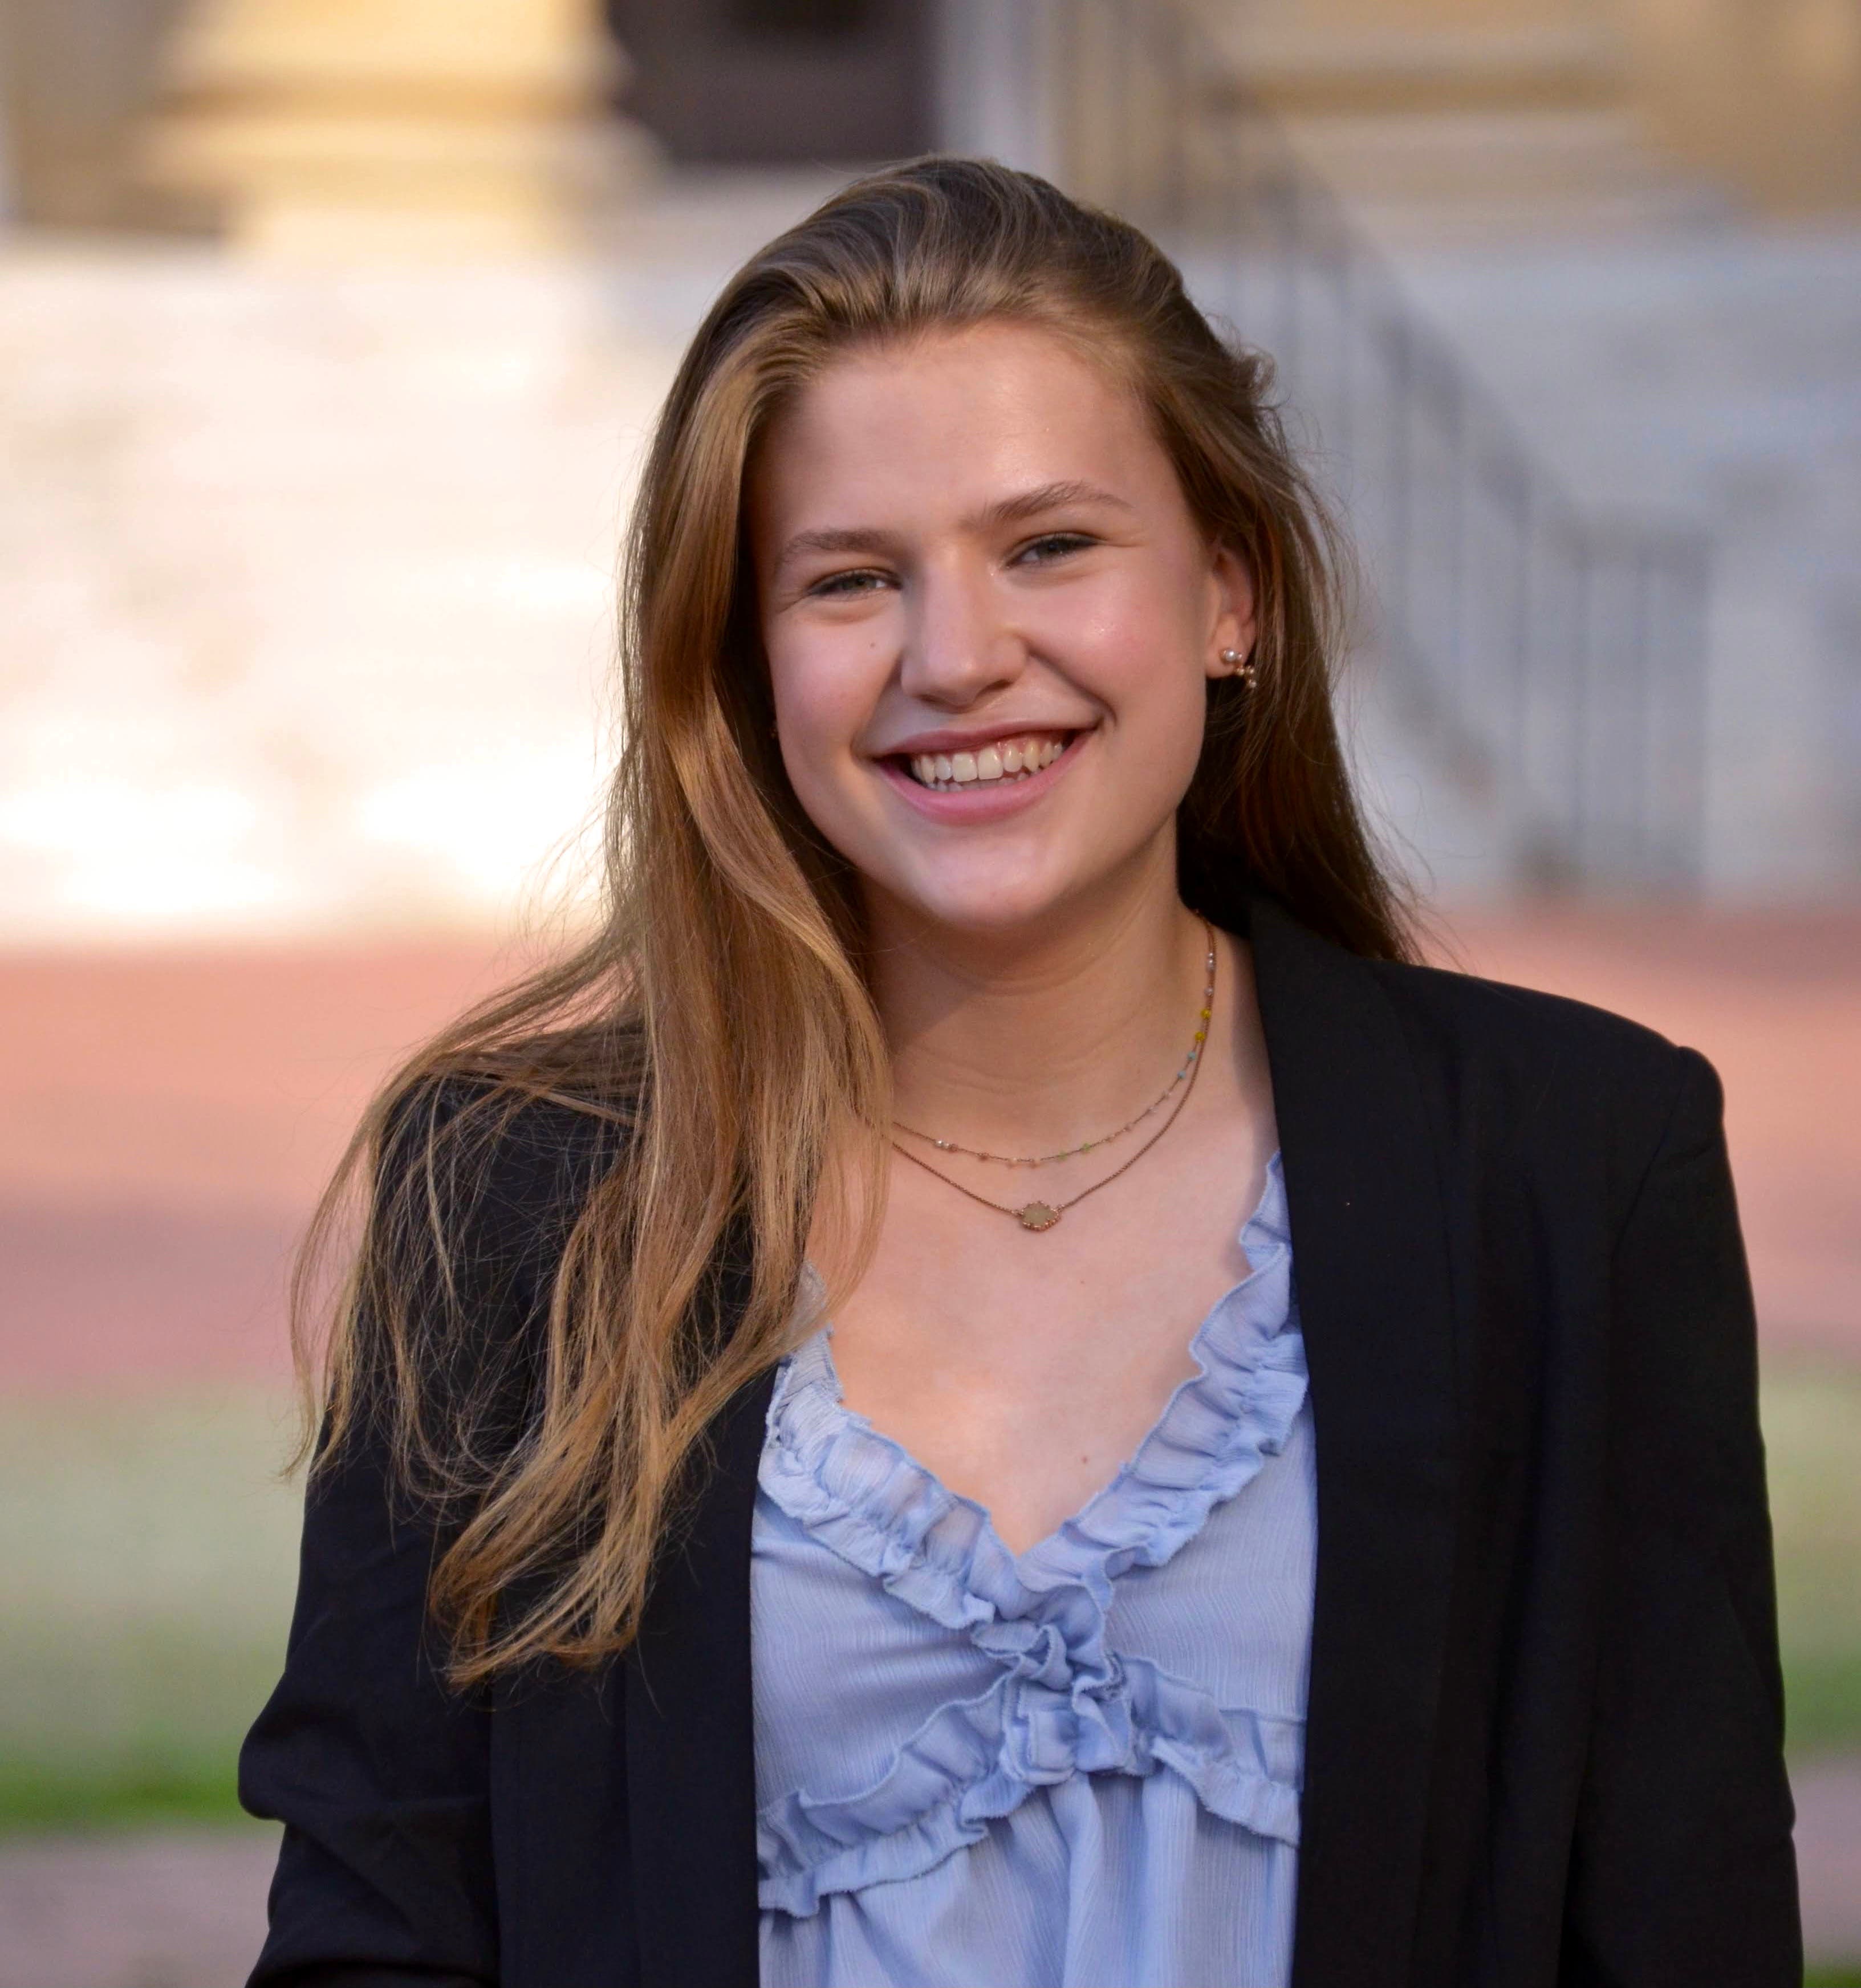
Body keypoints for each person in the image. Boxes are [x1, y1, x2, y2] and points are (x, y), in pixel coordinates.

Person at [239, 158, 1800, 1988]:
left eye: (1050, 546)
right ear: (746, 663)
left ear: (1229, 598)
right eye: (851, 579)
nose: (959, 658)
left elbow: (1683, 1911)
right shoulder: (521, 1196)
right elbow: (380, 1930)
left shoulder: (1572, 1163)